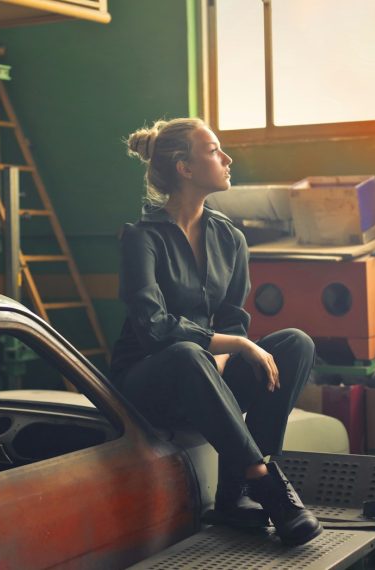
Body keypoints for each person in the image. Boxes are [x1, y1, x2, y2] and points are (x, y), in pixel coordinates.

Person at [109, 118, 322, 546]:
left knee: (295, 343)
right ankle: (264, 481)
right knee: (188, 355)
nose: (227, 159)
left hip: (206, 372)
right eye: (213, 150)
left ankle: (233, 496)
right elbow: (154, 329)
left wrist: (224, 357)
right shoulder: (141, 238)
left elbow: (231, 316)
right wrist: (234, 347)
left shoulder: (230, 238)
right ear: (185, 168)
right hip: (149, 381)